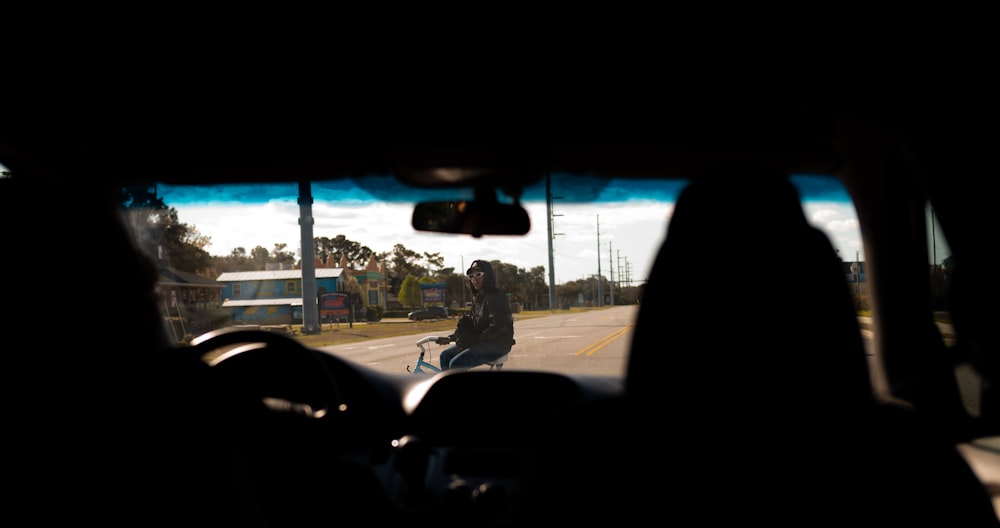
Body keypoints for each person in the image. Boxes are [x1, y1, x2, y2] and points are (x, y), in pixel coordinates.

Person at [437, 260, 515, 370]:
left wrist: (476, 340)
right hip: (482, 342)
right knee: (445, 356)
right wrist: (452, 338)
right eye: (471, 276)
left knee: (456, 364)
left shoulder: (495, 296)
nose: (474, 279)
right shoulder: (478, 298)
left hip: (498, 344)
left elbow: (499, 326)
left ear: (487, 276)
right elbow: (471, 325)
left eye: (478, 274)